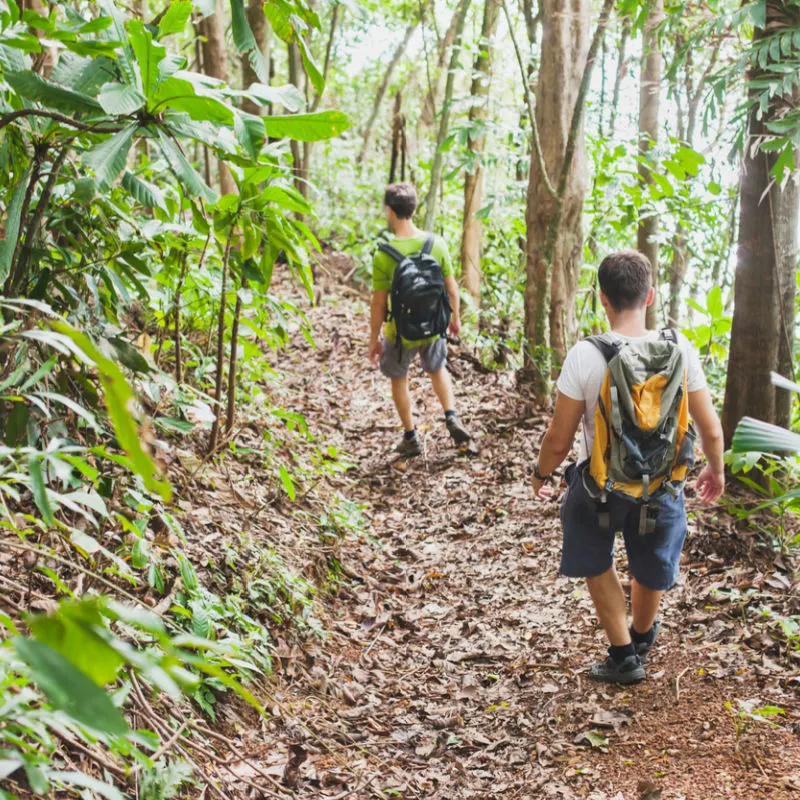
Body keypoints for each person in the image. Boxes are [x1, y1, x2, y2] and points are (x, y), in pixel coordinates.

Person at [532, 250, 725, 683]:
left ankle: (623, 654)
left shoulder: (585, 354)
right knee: (653, 555)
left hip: (600, 486)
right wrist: (716, 469)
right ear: (650, 296)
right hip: (661, 486)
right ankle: (641, 635)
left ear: (603, 299)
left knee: (593, 552)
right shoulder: (681, 349)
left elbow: (559, 439)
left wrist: (541, 475)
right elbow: (710, 429)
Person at [368, 182, 472, 456]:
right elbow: (451, 289)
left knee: (398, 379)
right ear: (414, 210)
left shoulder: (383, 254)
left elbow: (379, 303)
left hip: (399, 333)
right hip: (433, 326)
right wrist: (453, 319)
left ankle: (411, 437)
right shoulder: (435, 244)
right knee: (438, 370)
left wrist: (374, 339)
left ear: (389, 211)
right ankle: (451, 417)